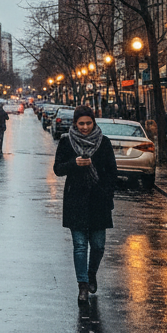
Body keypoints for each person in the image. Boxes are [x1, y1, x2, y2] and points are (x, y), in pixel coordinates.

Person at [52, 105, 118, 304]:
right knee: (80, 246)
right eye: (81, 123)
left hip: (99, 201)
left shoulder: (103, 142)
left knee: (98, 246)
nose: (85, 127)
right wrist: (74, 164)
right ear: (75, 123)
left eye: (88, 123)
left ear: (94, 122)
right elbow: (57, 169)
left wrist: (107, 194)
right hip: (76, 200)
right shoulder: (66, 142)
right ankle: (82, 285)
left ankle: (91, 274)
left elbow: (112, 172)